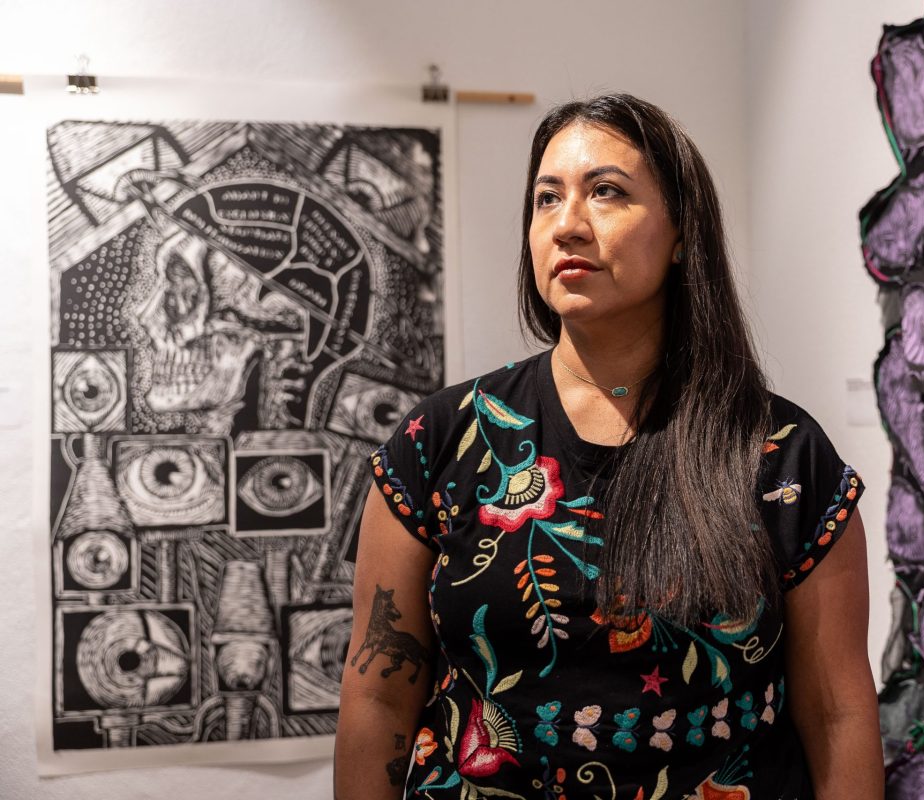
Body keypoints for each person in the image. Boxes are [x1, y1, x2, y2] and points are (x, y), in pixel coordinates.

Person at [334, 93, 883, 799]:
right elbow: (378, 700)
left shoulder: (779, 455)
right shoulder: (439, 441)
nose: (567, 224)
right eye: (546, 198)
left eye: (607, 193)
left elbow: (836, 712)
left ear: (683, 233)